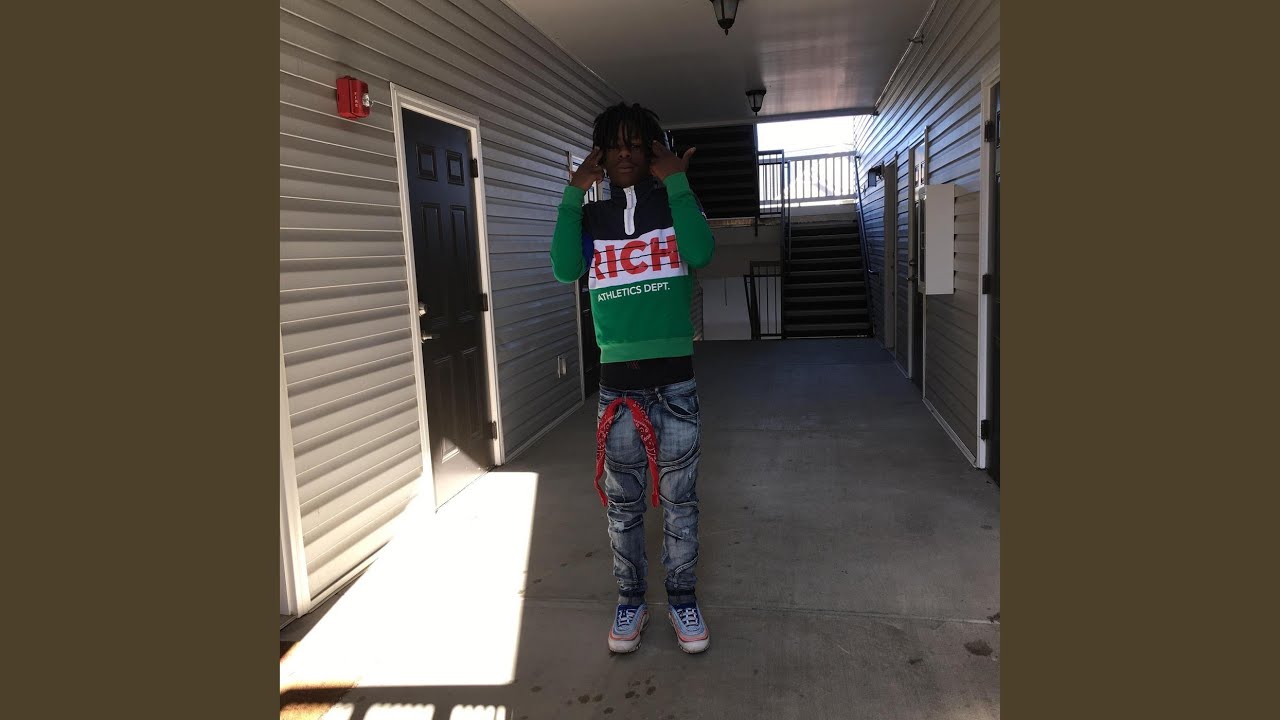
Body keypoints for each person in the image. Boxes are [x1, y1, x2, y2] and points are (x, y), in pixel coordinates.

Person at [550, 102, 715, 654]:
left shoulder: (676, 203)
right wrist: (573, 193)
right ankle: (631, 601)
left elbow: (701, 251)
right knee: (623, 506)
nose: (625, 153)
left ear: (652, 151)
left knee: (680, 501)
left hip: (675, 383)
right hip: (618, 385)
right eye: (614, 144)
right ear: (601, 153)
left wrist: (678, 184)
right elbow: (564, 269)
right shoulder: (592, 219)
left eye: (636, 143)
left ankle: (683, 598)